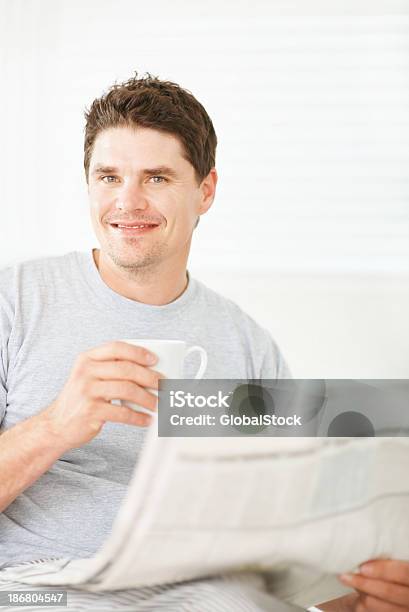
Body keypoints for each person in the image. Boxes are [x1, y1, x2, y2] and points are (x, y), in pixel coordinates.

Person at [0, 72, 407, 611]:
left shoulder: (246, 344)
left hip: (203, 591)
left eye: (157, 178)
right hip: (39, 588)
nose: (127, 202)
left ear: (206, 191)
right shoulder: (16, 303)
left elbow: (285, 547)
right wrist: (55, 425)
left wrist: (361, 601)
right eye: (108, 176)